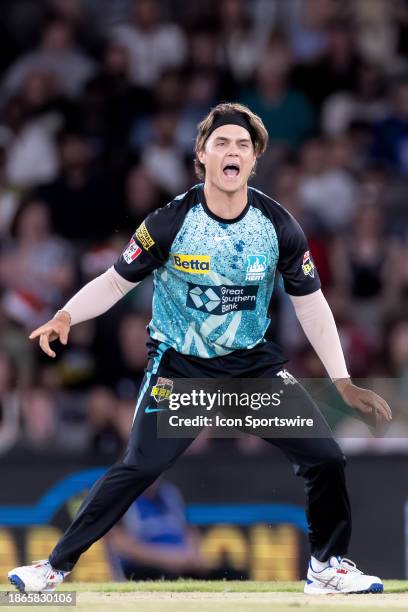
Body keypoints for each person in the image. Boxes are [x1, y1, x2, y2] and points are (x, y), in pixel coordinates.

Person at [8, 102, 391, 595]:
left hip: (252, 370)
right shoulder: (170, 222)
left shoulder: (277, 226)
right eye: (222, 143)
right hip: (181, 370)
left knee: (327, 459)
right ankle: (54, 567)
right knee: (140, 466)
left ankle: (327, 566)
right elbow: (113, 282)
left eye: (243, 146)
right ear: (202, 156)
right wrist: (65, 315)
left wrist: (342, 381)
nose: (233, 152)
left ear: (254, 161)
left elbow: (312, 306)